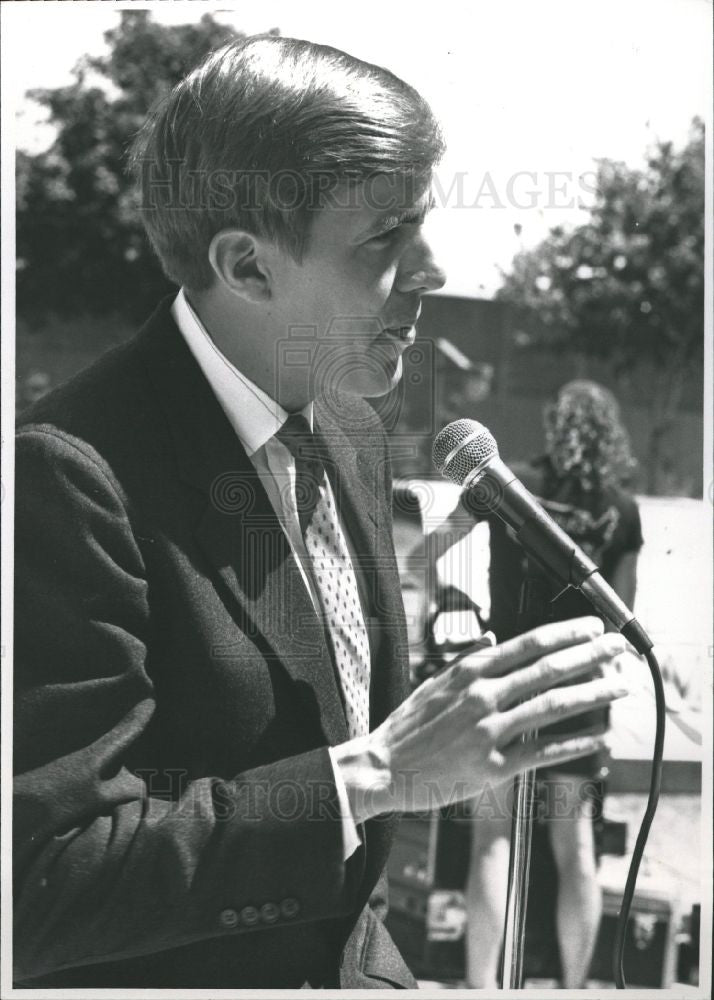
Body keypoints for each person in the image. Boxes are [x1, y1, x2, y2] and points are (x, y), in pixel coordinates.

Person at [13, 37, 629, 989]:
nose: (430, 270)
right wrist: (378, 773)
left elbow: (316, 738)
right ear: (248, 267)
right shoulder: (69, 480)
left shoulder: (345, 425)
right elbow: (43, 885)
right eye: (385, 240)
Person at [464, 380, 643, 989]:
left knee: (493, 840)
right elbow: (624, 607)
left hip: (512, 679)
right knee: (577, 852)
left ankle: (481, 987)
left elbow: (446, 540)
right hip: (579, 694)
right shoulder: (625, 508)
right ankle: (572, 989)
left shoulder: (513, 484)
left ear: (554, 423)